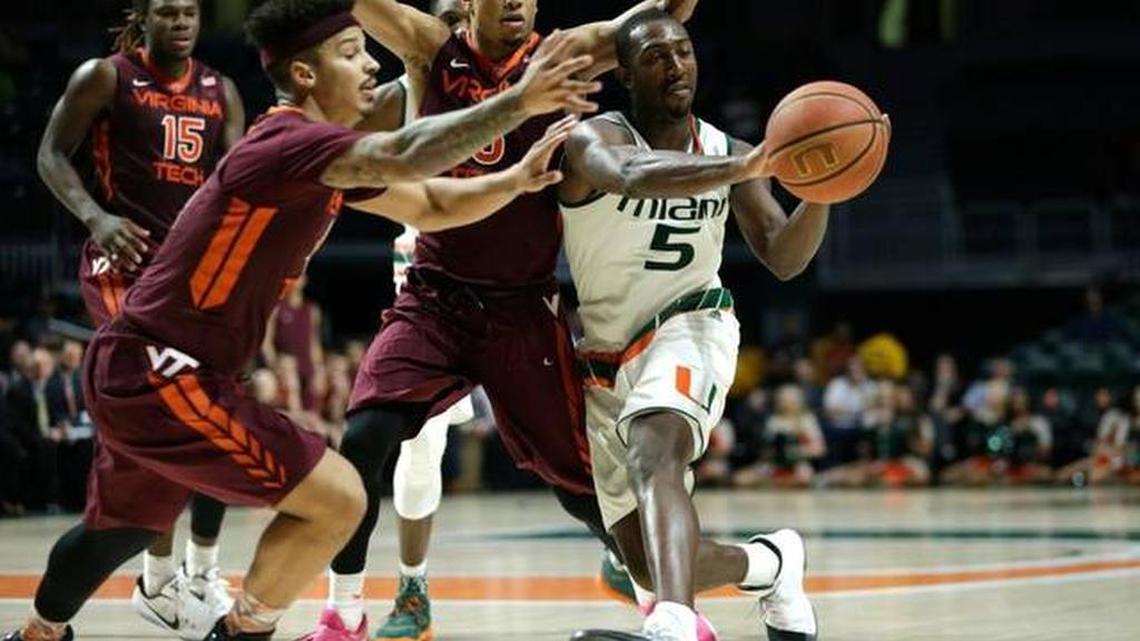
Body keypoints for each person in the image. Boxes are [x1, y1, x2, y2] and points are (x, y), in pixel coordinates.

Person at [2, 0, 601, 638]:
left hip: (152, 368)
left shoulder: (323, 156)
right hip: (164, 369)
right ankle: (241, 631)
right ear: (307, 75)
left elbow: (427, 201)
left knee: (120, 530)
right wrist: (519, 102)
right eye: (351, 54)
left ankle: (37, 633)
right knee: (340, 497)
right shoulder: (288, 141)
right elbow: (406, 155)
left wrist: (513, 180)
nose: (372, 63)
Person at [319, 2, 698, 639]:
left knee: (582, 488)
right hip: (434, 295)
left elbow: (656, 18)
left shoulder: (564, 50)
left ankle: (665, 612)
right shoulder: (431, 50)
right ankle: (343, 614)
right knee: (362, 440)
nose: (518, 3)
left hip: (522, 305)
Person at [558, 8, 869, 640]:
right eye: (655, 57)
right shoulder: (594, 140)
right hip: (603, 356)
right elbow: (631, 177)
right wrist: (747, 168)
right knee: (647, 561)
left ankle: (674, 621)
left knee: (655, 443)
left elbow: (782, 256)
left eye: (684, 51)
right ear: (623, 74)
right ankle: (773, 563)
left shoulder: (725, 149)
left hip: (691, 323)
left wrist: (822, 187)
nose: (676, 66)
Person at [36, 0, 245, 634]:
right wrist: (96, 218)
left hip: (191, 276)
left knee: (218, 405)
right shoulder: (104, 76)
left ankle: (197, 574)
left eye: (190, 12)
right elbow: (51, 155)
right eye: (168, 12)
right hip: (122, 269)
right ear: (145, 18)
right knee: (163, 403)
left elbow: (238, 183)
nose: (181, 22)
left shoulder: (222, 90)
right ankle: (157, 581)